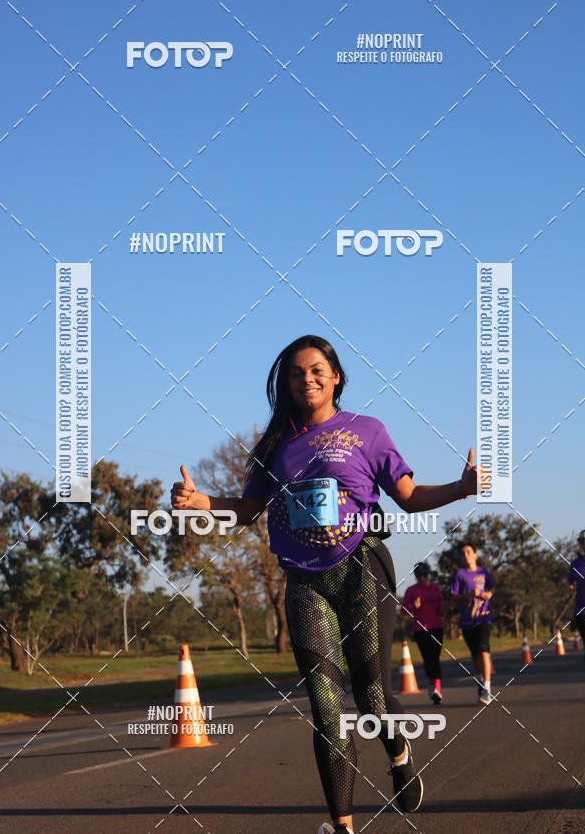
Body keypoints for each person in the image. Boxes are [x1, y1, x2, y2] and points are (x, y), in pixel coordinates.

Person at [171, 334, 489, 834]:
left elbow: (407, 496)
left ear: (335, 375)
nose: (307, 379)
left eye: (317, 369)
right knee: (325, 704)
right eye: (296, 373)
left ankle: (399, 751)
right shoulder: (276, 447)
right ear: (286, 384)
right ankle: (342, 826)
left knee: (372, 697)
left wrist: (461, 487)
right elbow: (248, 510)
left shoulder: (366, 431)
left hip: (362, 569)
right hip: (305, 582)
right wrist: (202, 503)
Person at [450, 543, 495, 706]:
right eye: (463, 553)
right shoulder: (459, 574)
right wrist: (469, 594)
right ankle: (483, 678)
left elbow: (492, 587)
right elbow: (454, 596)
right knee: (476, 659)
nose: (466, 555)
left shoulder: (484, 572)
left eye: (469, 552)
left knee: (484, 649)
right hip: (467, 621)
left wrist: (489, 594)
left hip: (483, 618)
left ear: (475, 555)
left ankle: (487, 690)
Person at [401, 563, 445, 704]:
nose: (422, 578)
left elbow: (442, 606)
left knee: (435, 657)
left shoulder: (435, 588)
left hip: (437, 627)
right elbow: (403, 611)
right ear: (416, 577)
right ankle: (432, 684)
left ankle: (437, 688)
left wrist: (441, 607)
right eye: (419, 576)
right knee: (427, 659)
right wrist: (414, 607)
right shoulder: (411, 590)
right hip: (420, 630)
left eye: (424, 575)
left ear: (428, 574)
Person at [568, 530, 585, 661]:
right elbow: (571, 583)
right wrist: (573, 587)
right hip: (581, 609)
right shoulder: (575, 563)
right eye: (582, 542)